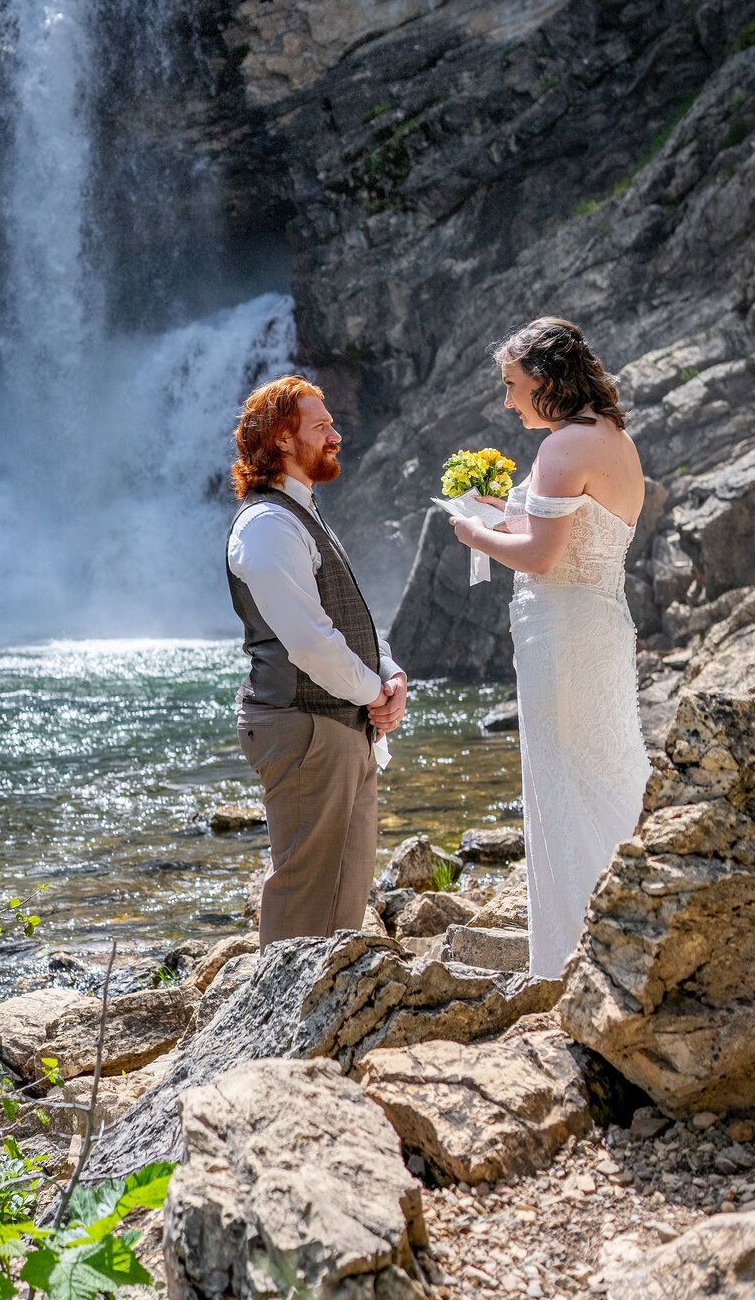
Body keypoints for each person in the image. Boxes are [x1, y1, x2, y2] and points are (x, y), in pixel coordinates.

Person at [450, 318, 650, 979]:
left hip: (562, 637)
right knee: (604, 769)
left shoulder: (565, 446)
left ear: (546, 378)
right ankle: (630, 931)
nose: (509, 401)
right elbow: (565, 535)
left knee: (564, 784)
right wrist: (502, 516)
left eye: (513, 385)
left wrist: (474, 536)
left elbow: (540, 554)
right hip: (595, 625)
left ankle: (573, 964)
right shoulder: (612, 439)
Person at [226, 375, 407, 948]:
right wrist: (373, 693)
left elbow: (342, 619)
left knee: (343, 906)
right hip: (304, 729)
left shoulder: (299, 514)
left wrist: (389, 674)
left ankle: (322, 1033)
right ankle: (278, 1036)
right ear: (281, 439)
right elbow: (309, 642)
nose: (337, 434)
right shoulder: (266, 526)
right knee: (305, 909)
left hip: (336, 727)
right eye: (321, 425)